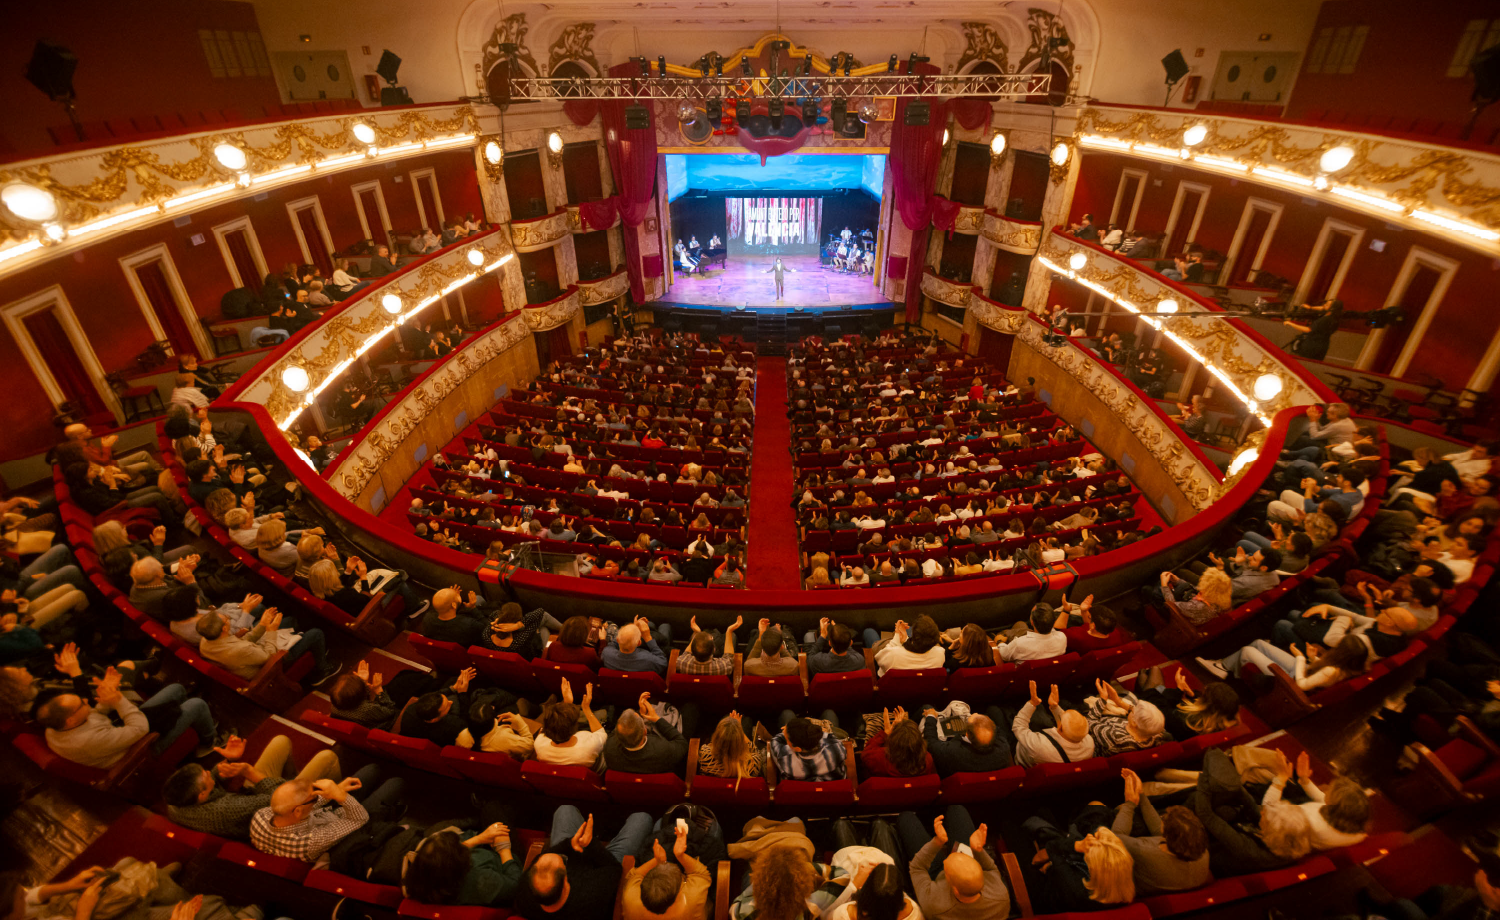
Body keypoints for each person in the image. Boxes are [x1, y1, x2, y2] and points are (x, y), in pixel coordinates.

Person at [163, 734, 342, 838]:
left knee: (281, 741)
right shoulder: (227, 810)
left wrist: (230, 759)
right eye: (206, 775)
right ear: (202, 795)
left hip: (251, 798)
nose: (210, 772)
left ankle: (301, 782)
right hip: (274, 810)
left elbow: (211, 780)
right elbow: (277, 798)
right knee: (327, 758)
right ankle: (334, 799)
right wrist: (248, 772)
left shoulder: (175, 803)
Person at [36, 670, 219, 765]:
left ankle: (192, 718)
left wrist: (110, 693)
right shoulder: (88, 741)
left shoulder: (55, 723)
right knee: (197, 705)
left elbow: (96, 714)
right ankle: (208, 743)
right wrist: (118, 699)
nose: (86, 702)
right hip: (139, 749)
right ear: (71, 721)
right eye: (82, 705)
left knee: (176, 689)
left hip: (124, 730)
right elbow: (140, 729)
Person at [517, 806, 654, 920]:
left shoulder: (525, 893)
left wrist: (570, 844)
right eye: (562, 861)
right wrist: (590, 844)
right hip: (603, 864)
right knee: (642, 819)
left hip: (574, 853)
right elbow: (613, 868)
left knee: (565, 810)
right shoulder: (592, 897)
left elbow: (543, 857)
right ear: (565, 880)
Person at [249, 764, 407, 861]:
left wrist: (337, 790)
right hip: (351, 828)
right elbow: (359, 820)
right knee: (396, 783)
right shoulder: (310, 843)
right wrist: (341, 796)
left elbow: (303, 804)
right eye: (313, 798)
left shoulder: (261, 816)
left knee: (372, 769)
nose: (317, 797)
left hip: (326, 816)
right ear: (297, 811)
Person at [1111, 769, 1212, 894]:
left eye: (1163, 819)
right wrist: (1141, 795)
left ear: (1167, 837)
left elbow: (1115, 837)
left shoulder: (1144, 852)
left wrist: (1129, 803)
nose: (1161, 818)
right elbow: (1157, 831)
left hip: (1137, 880)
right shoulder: (1202, 853)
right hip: (1166, 878)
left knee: (1100, 809)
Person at [898, 810, 1010, 920]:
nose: (950, 856)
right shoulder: (1000, 896)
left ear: (954, 889)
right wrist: (977, 850)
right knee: (956, 809)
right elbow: (991, 869)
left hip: (936, 876)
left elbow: (917, 868)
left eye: (948, 864)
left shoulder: (934, 907)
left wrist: (937, 842)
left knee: (906, 818)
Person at [197, 605, 342, 687]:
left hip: (253, 653)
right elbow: (270, 657)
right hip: (269, 667)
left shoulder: (206, 639)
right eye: (226, 620)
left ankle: (312, 648)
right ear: (223, 629)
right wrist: (271, 630)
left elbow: (241, 640)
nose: (228, 618)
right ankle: (322, 669)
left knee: (290, 620)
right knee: (316, 633)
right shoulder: (240, 650)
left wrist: (262, 625)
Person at [1268, 749, 1369, 850]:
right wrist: (1304, 779)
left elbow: (1269, 810)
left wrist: (1280, 778)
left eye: (1331, 790)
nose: (1328, 789)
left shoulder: (1309, 821)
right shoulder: (1356, 831)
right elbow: (1322, 799)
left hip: (1275, 821)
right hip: (1291, 815)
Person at [621, 819, 711, 920]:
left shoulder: (631, 898)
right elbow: (701, 873)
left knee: (659, 824)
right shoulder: (693, 899)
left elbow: (633, 876)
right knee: (714, 830)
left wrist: (658, 860)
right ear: (678, 893)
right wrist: (680, 855)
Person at [1012, 681, 1095, 767]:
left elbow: (1018, 726)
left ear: (1060, 727)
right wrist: (1055, 707)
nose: (1062, 713)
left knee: (999, 711)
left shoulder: (1039, 746)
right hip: (1049, 747)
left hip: (1024, 752)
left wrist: (1032, 703)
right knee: (1042, 717)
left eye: (1063, 714)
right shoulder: (1089, 743)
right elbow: (1068, 724)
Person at [604, 692, 689, 774]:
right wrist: (657, 719)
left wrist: (641, 713)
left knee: (653, 700)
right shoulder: (662, 749)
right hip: (667, 769)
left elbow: (615, 732)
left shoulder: (609, 749)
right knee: (691, 707)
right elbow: (682, 744)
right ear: (645, 731)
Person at [534, 678, 607, 766]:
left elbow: (545, 728)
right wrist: (586, 709)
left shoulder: (539, 743)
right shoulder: (589, 744)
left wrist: (567, 704)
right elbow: (601, 733)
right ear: (575, 729)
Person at [768, 716, 846, 782]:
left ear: (798, 749)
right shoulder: (836, 748)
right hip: (831, 794)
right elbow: (830, 736)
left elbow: (775, 740)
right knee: (829, 713)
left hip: (799, 796)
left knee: (787, 714)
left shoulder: (785, 758)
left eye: (786, 739)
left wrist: (786, 731)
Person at [871, 615, 945, 676]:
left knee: (869, 631)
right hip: (922, 690)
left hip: (894, 691)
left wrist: (896, 637)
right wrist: (906, 640)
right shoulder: (940, 654)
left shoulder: (893, 655)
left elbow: (878, 656)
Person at [995, 604, 1067, 661]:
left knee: (1001, 634)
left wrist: (999, 642)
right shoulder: (1062, 638)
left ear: (1032, 622)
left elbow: (1004, 655)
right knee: (1020, 624)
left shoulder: (1019, 644)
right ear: (1053, 622)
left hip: (1023, 675)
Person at [602, 618, 670, 673]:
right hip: (658, 648)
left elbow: (612, 644)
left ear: (618, 640)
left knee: (651, 624)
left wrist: (633, 627)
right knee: (665, 626)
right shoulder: (648, 659)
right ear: (639, 643)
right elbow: (663, 662)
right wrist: (648, 637)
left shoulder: (607, 654)